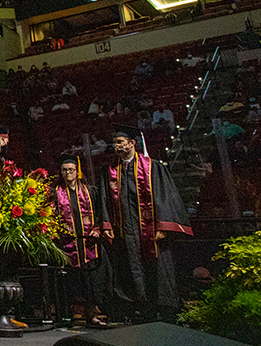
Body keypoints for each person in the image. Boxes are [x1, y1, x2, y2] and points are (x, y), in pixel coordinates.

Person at [99, 131, 192, 324]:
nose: (117, 146)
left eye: (121, 142)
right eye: (115, 143)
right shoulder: (111, 171)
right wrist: (107, 223)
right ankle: (137, 309)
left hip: (150, 232)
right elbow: (105, 199)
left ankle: (163, 310)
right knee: (128, 268)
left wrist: (162, 225)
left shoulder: (152, 167)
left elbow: (164, 196)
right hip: (125, 231)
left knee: (157, 269)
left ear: (132, 143)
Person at [51, 156, 110, 327]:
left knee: (91, 280)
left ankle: (91, 313)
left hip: (89, 243)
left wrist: (97, 229)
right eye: (64, 170)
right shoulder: (54, 193)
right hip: (66, 244)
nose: (68, 173)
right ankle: (70, 314)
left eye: (71, 170)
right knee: (70, 281)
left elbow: (100, 213)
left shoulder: (90, 192)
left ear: (77, 172)